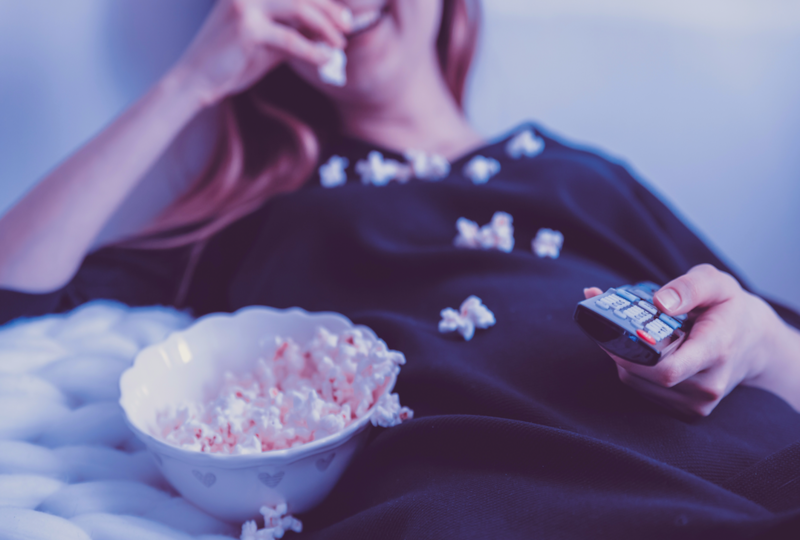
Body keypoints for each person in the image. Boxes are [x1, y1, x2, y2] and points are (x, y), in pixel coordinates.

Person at [1, 0, 799, 536]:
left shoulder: (580, 172)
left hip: (752, 468)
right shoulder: (267, 216)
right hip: (489, 504)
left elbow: (783, 354)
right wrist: (191, 82)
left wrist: (759, 340)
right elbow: (16, 291)